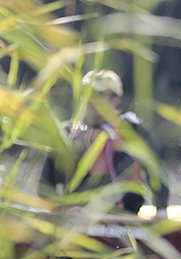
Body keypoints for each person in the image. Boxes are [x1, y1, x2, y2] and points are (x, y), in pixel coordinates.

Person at [40, 69, 169, 217]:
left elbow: (159, 175)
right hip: (74, 216)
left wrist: (161, 209)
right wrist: (62, 210)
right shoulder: (67, 132)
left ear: (115, 99)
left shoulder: (135, 130)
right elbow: (45, 184)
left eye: (97, 94)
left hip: (122, 217)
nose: (89, 99)